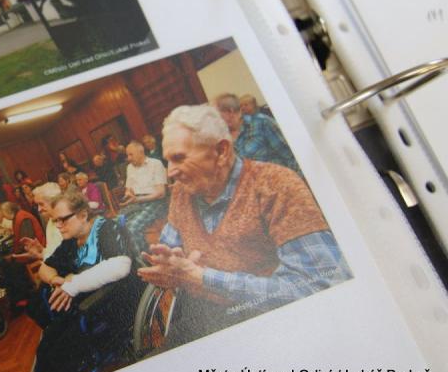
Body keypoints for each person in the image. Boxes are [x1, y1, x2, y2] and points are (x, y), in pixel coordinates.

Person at [138, 105, 351, 343]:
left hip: (268, 319)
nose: (170, 172)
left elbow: (322, 283)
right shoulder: (182, 191)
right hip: (202, 313)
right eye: (167, 161)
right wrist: (168, 266)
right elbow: (170, 245)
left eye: (178, 158)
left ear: (221, 151)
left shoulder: (277, 185)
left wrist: (203, 277)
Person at [33, 191, 141, 372]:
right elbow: (44, 268)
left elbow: (120, 265)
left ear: (83, 215)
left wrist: (72, 285)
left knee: (57, 351)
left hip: (114, 301)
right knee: (48, 346)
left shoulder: (107, 228)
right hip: (88, 303)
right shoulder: (72, 240)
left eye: (63, 219)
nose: (58, 226)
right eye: (55, 221)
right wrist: (57, 280)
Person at [214, 93, 300, 174]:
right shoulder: (222, 137)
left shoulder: (262, 122)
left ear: (230, 112)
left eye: (215, 115)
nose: (214, 120)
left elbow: (290, 157)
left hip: (279, 178)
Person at [119, 140, 168, 254]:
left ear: (141, 152)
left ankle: (145, 256)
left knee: (132, 227)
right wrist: (128, 195)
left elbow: (161, 193)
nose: (128, 158)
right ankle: (136, 256)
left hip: (155, 202)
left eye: (131, 155)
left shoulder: (155, 164)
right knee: (118, 223)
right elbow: (128, 189)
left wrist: (138, 199)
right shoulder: (129, 167)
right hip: (136, 202)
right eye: (127, 155)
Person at [14, 182, 63, 262]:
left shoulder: (67, 222)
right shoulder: (51, 221)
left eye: (41, 204)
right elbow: (53, 252)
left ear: (55, 202)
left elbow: (65, 259)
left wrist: (42, 255)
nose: (39, 209)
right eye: (37, 205)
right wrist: (41, 250)